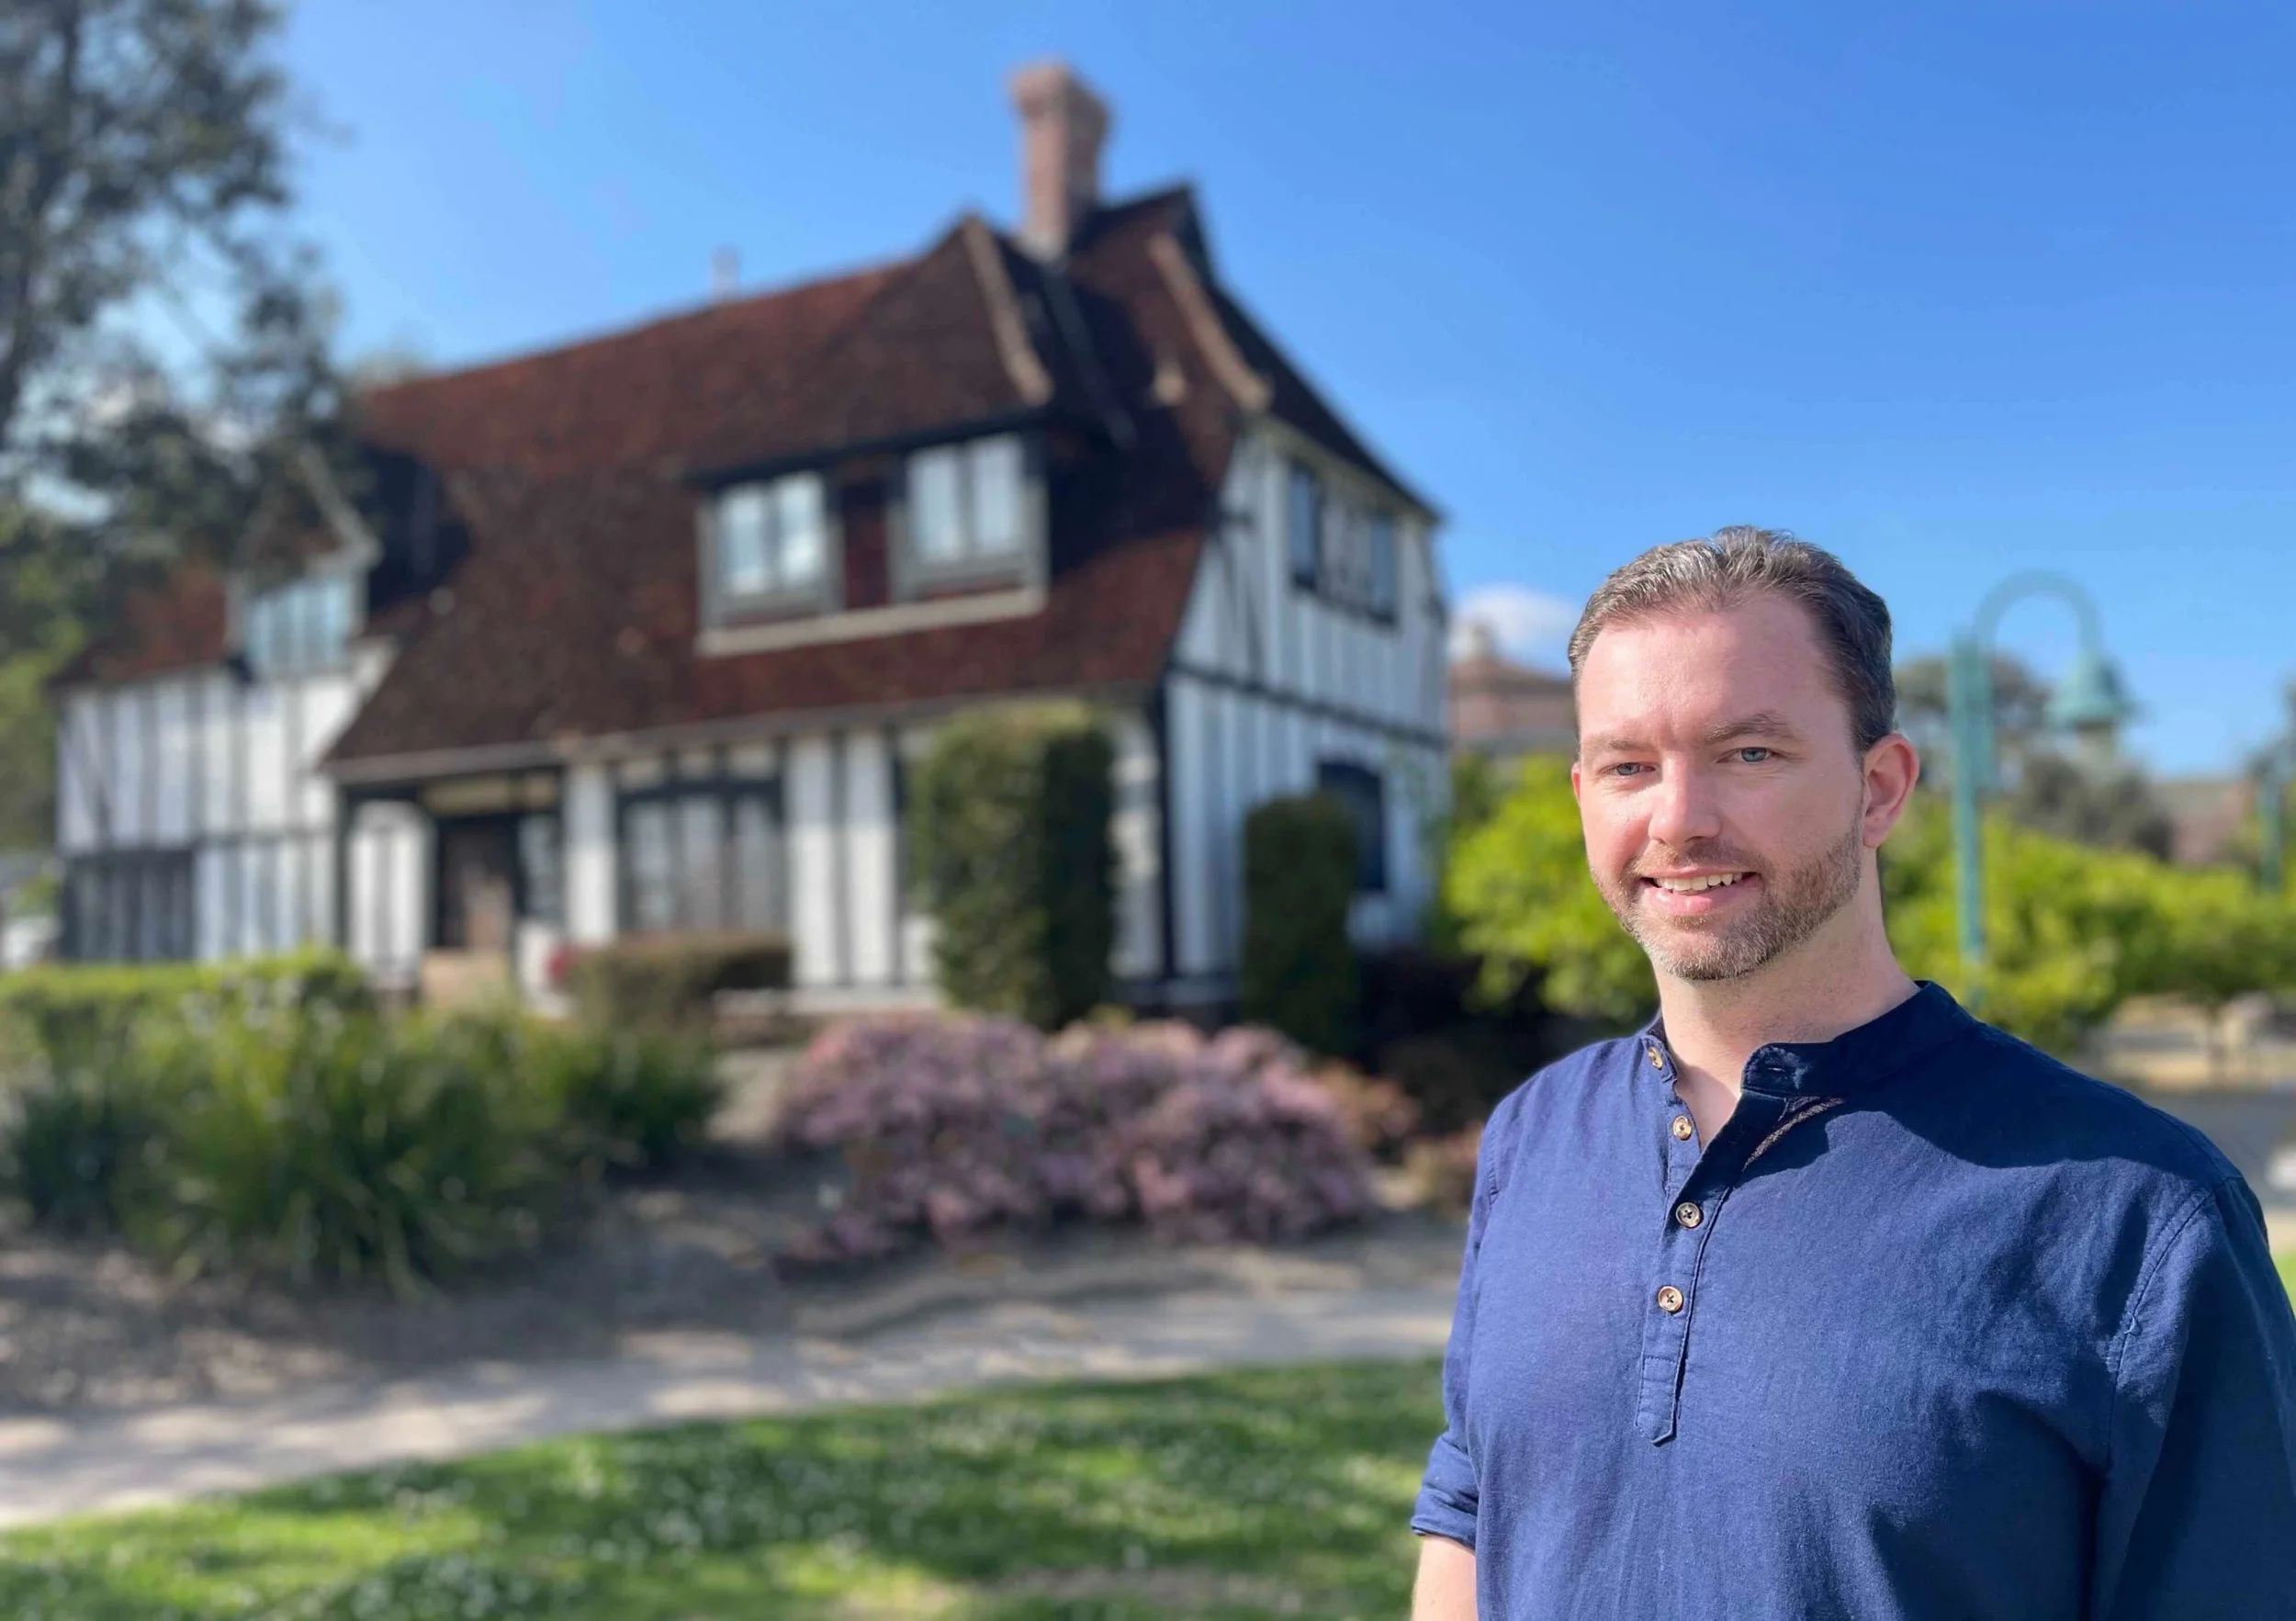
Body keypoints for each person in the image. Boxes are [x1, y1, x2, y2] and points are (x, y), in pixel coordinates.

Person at [1410, 529, 2296, 1619]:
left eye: (1749, 753)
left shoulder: (2141, 1216)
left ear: (1880, 789)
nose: (1678, 819)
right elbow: (1470, 1505)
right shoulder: (1533, 1134)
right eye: (1629, 765)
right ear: (1582, 792)